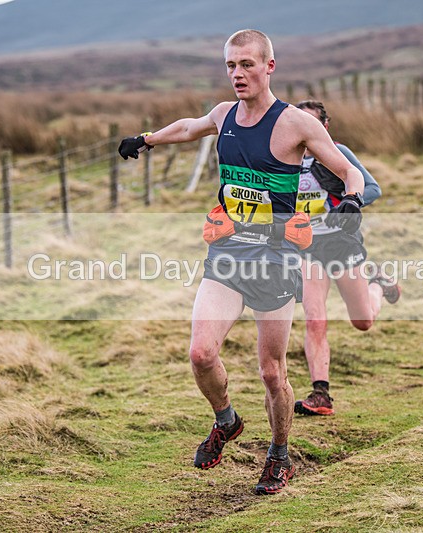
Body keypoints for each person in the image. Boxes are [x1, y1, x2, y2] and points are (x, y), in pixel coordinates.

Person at [117, 29, 366, 495]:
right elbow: (190, 127)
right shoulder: (224, 114)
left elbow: (347, 169)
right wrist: (146, 139)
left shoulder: (296, 124)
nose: (237, 74)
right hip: (229, 253)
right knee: (200, 352)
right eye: (231, 65)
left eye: (247, 64)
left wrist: (351, 199)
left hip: (276, 258)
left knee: (272, 372)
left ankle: (279, 454)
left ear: (269, 66)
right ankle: (226, 420)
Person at [293, 100, 401, 417]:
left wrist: (351, 202)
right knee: (315, 320)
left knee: (363, 321)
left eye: (311, 124)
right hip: (307, 247)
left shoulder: (337, 152)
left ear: (324, 127)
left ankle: (378, 284)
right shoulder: (285, 159)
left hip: (342, 243)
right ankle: (320, 394)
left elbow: (373, 188)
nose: (304, 131)